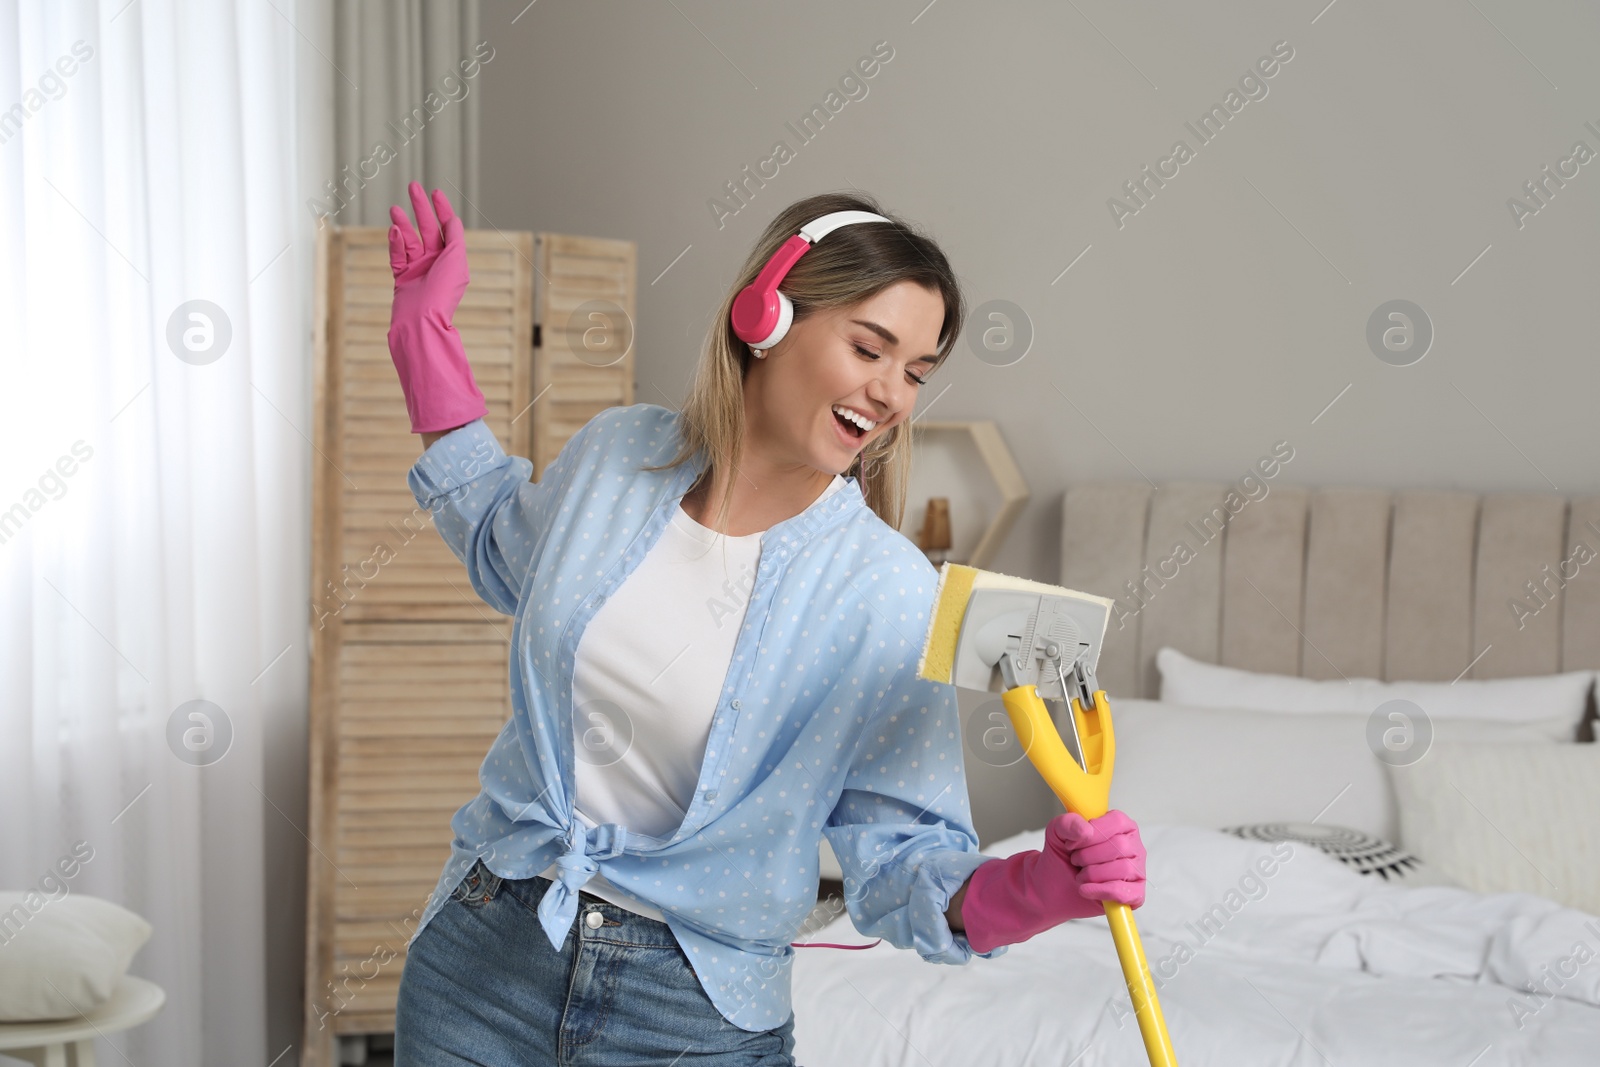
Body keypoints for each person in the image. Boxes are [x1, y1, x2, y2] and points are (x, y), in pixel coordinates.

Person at [384, 179, 1147, 1065]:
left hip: (688, 1020)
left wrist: (1037, 888)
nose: (893, 394)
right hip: (482, 962)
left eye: (916, 372)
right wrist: (420, 336)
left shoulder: (890, 592)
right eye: (871, 347)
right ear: (765, 314)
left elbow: (901, 861)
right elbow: (498, 538)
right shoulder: (616, 454)